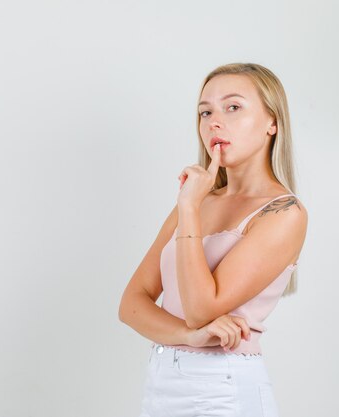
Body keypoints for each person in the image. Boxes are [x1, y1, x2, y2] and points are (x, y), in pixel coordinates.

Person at [118, 62, 308, 417]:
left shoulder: (283, 212)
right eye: (205, 112)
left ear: (273, 122)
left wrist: (189, 207)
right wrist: (189, 337)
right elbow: (131, 304)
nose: (214, 122)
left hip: (223, 391)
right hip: (161, 387)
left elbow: (202, 308)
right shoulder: (198, 200)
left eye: (233, 107)